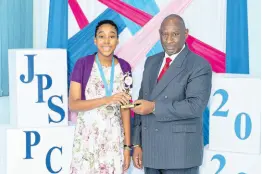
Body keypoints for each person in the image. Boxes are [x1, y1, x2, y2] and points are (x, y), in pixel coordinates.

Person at [132, 14, 212, 174]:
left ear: (186, 34)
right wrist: (137, 144)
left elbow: (194, 106)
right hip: (151, 151)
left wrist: (154, 107)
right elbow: (141, 102)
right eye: (165, 34)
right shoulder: (151, 61)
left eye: (175, 34)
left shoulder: (199, 65)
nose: (169, 40)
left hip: (180, 154)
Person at [69, 20, 133, 174]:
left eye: (111, 36)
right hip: (87, 139)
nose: (106, 41)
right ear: (95, 40)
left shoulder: (124, 67)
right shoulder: (82, 64)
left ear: (117, 40)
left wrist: (127, 147)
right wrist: (108, 99)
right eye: (101, 36)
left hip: (114, 141)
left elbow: (125, 108)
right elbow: (73, 104)